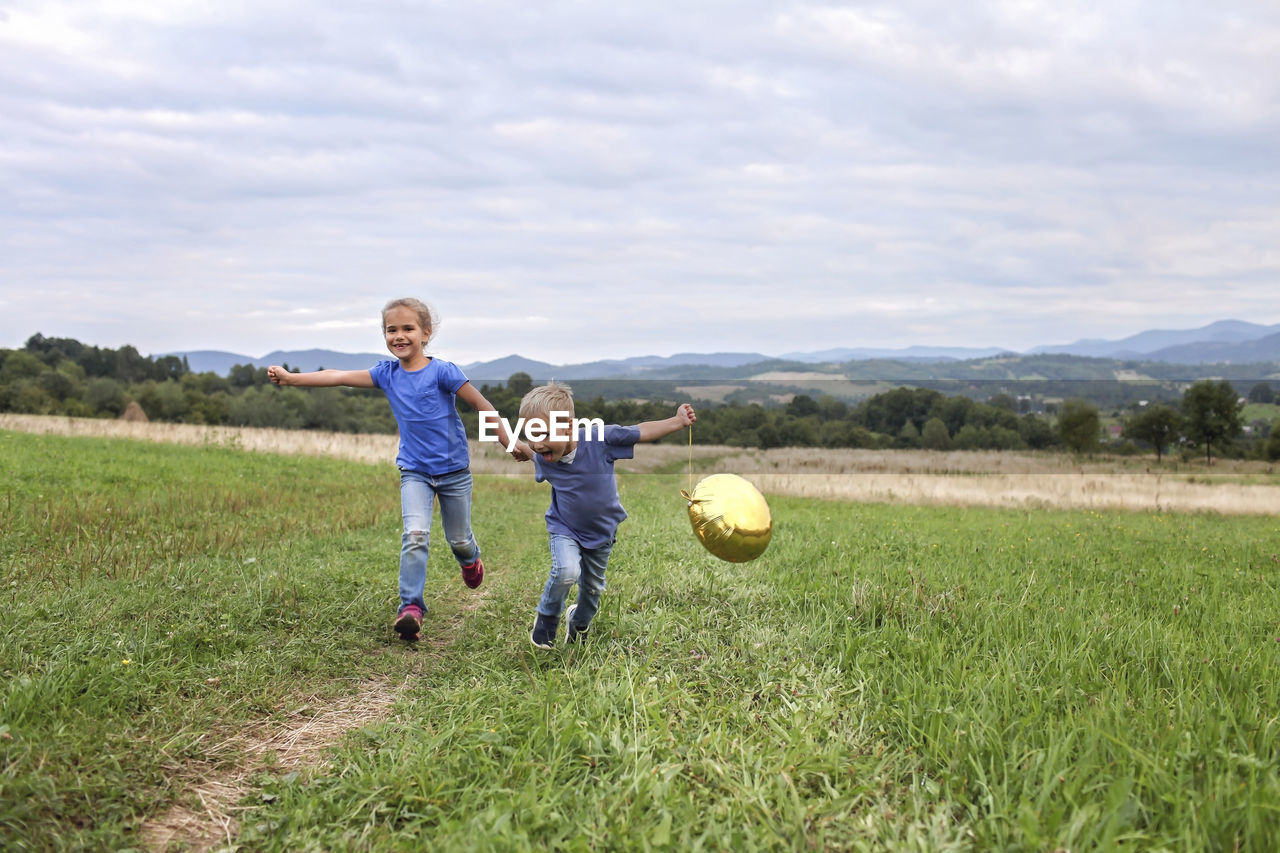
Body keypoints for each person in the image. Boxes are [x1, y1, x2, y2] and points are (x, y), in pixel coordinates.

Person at [267, 297, 526, 642]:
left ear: (425, 333)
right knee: (415, 535)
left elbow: (484, 407)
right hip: (414, 471)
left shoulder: (443, 372)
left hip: (454, 473)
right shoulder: (386, 374)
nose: (399, 336)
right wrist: (291, 379)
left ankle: (470, 560)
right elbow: (338, 376)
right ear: (384, 334)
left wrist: (509, 442)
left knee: (460, 539)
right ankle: (411, 609)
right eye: (392, 330)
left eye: (408, 328)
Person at [518, 382, 695, 649]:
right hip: (564, 528)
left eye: (544, 434)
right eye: (532, 435)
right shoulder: (544, 457)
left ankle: (578, 623)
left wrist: (677, 421)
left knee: (592, 590)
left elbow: (640, 431)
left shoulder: (600, 439)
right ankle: (546, 618)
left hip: (601, 533)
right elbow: (521, 446)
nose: (538, 444)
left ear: (568, 425)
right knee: (566, 571)